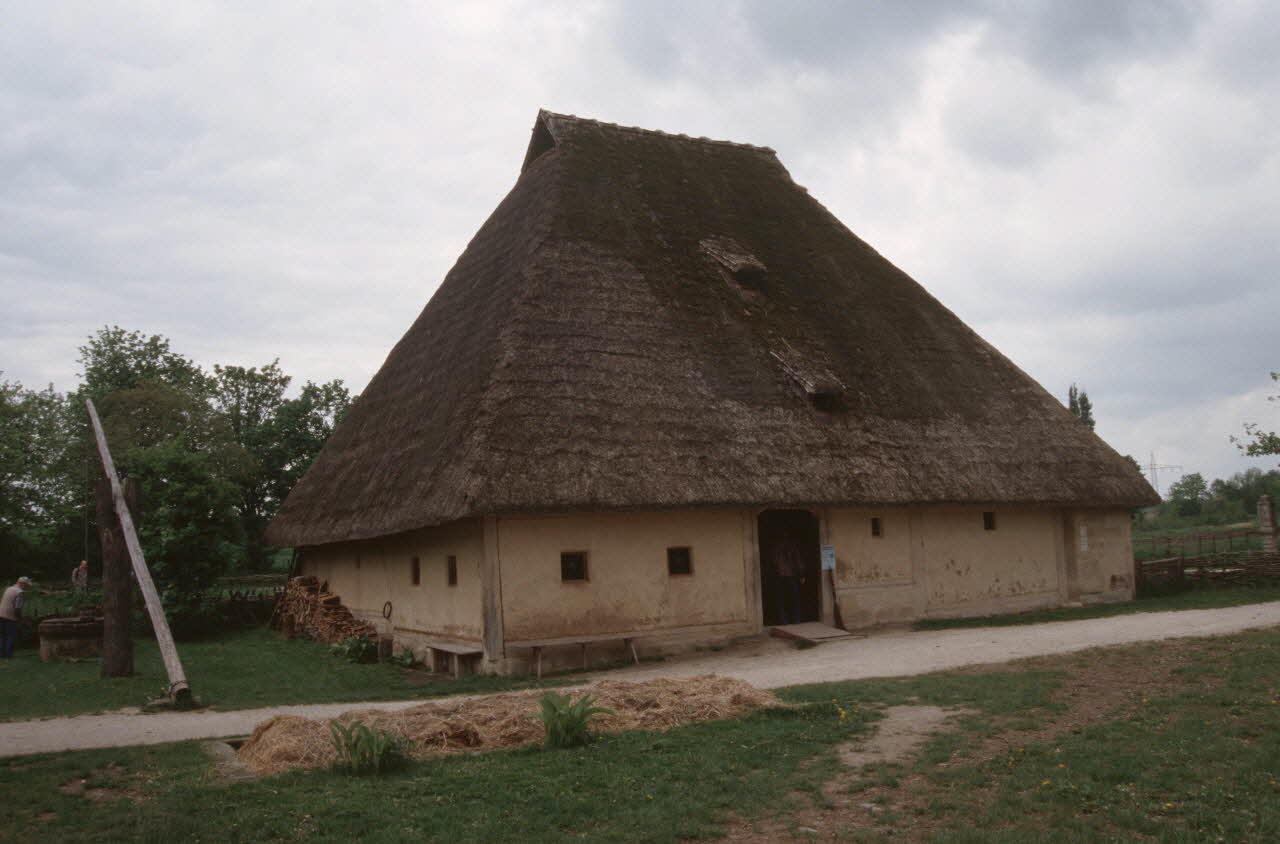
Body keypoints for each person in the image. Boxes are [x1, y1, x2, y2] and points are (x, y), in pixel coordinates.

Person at [771, 538, 805, 625]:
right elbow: (798, 562)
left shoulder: (778, 549)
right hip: (789, 576)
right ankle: (795, 619)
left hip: (782, 576)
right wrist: (801, 575)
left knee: (782, 599)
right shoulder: (791, 548)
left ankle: (784, 620)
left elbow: (774, 562)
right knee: (793, 599)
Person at [1, 576, 32, 659]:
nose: (27, 587)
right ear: (22, 584)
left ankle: (2, 654)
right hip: (10, 616)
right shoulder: (20, 593)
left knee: (3, 635)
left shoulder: (9, 589)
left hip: (1, 614)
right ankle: (8, 655)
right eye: (27, 585)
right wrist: (21, 618)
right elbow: (17, 608)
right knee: (10, 636)